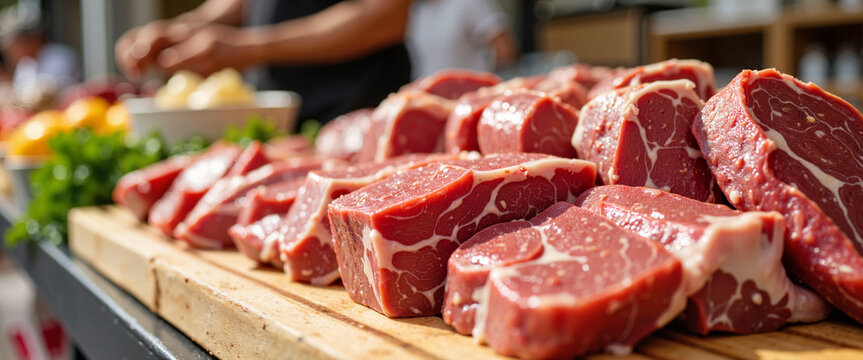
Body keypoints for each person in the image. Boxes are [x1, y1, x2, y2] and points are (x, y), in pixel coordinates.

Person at [115, 0, 412, 124]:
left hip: (353, 115)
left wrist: (249, 47)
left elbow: (388, 16)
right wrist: (187, 26)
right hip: (279, 124)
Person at [405, 0, 518, 79]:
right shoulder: (418, 10)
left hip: (467, 94)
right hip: (427, 95)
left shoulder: (468, 3)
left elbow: (505, 49)